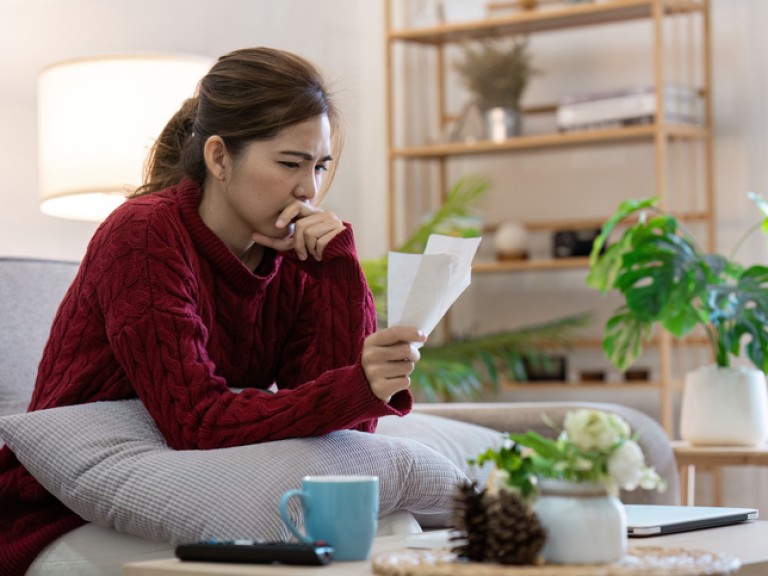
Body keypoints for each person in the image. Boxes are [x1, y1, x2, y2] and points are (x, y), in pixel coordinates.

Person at [0, 46, 426, 575]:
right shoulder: (143, 234)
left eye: (319, 166)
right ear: (220, 157)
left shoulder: (293, 254)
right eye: (290, 163)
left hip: (197, 479)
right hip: (62, 510)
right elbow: (193, 420)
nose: (308, 189)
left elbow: (344, 432)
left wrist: (340, 273)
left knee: (393, 530)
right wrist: (353, 388)